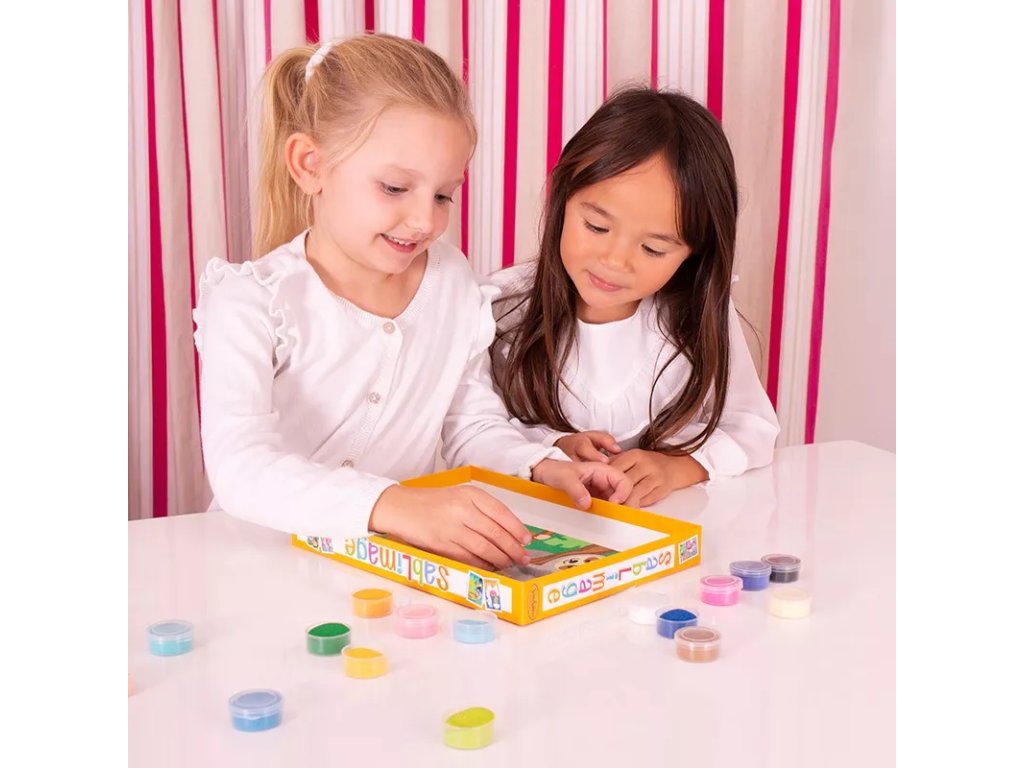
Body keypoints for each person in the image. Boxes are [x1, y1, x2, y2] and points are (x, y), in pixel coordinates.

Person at [193, 35, 631, 571]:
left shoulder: (451, 283)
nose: (426, 220)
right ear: (310, 165)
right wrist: (392, 505)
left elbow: (467, 421)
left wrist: (540, 464)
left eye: (443, 195)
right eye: (395, 188)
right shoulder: (249, 302)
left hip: (390, 574)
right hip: (256, 568)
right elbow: (241, 466)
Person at [490, 87, 780, 508]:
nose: (615, 261)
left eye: (653, 249)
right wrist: (553, 446)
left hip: (664, 527)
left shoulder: (694, 315)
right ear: (563, 198)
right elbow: (474, 428)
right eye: (596, 227)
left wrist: (678, 467)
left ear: (692, 255)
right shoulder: (505, 306)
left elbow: (753, 427)